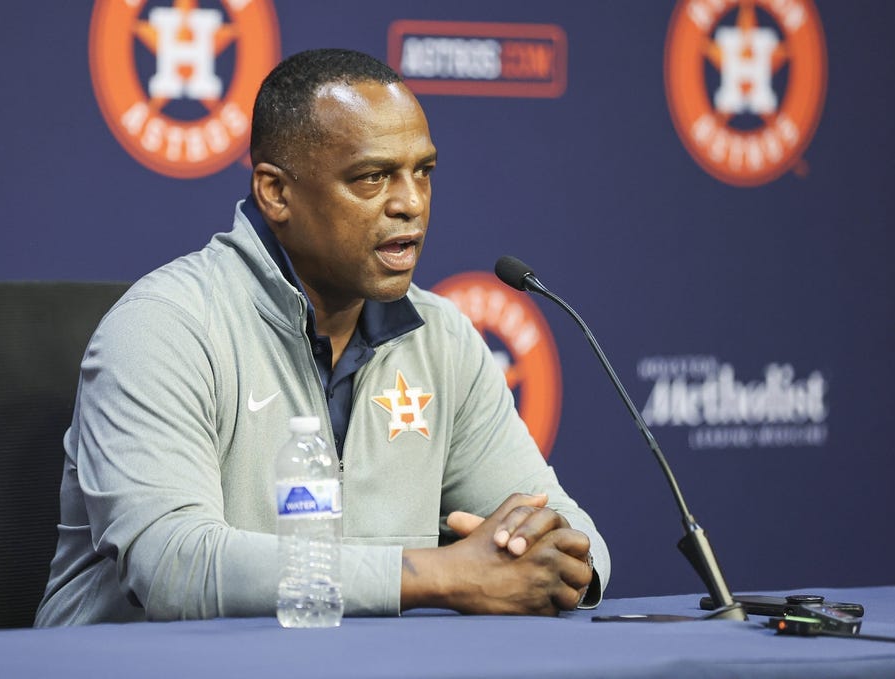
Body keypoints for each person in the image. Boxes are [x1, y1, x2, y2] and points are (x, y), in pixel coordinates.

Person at [35, 48, 609, 626]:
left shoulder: (443, 340)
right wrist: (446, 574)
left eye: (423, 172)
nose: (410, 203)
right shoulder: (165, 327)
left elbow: (570, 528)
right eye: (372, 177)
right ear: (276, 193)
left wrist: (552, 559)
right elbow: (173, 567)